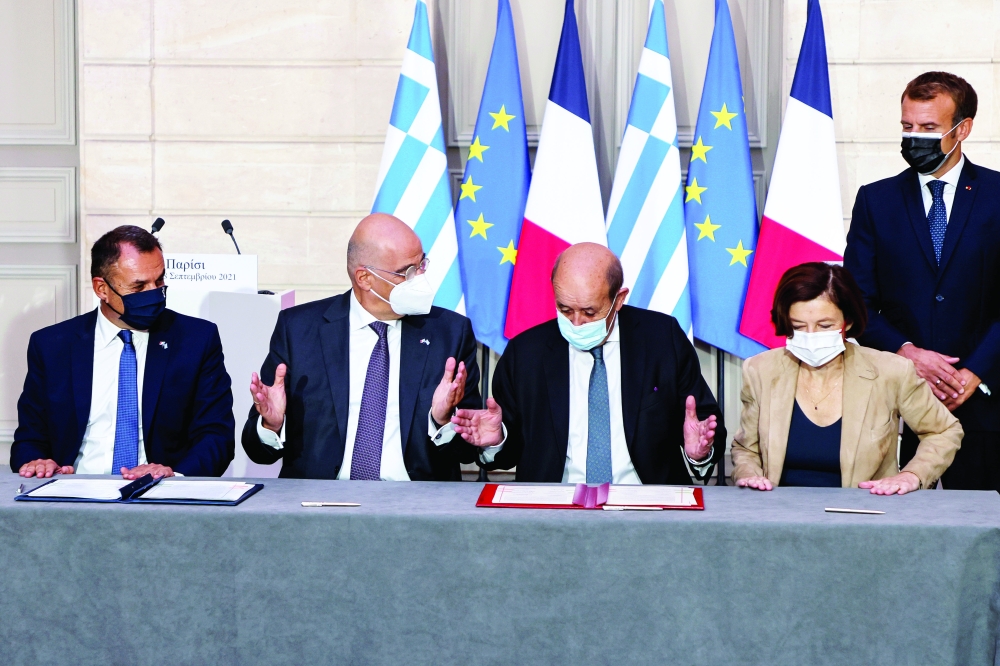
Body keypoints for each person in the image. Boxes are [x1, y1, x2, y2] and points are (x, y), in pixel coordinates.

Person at [450, 243, 724, 484]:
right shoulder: (525, 352)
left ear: (619, 299)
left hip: (646, 503)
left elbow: (704, 425)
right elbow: (507, 455)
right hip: (553, 507)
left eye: (589, 312)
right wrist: (497, 440)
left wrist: (699, 453)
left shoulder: (663, 339)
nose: (576, 322)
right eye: (565, 309)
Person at [844, 71, 1000, 491]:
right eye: (907, 126)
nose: (915, 138)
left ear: (962, 129)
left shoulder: (997, 195)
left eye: (929, 128)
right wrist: (907, 352)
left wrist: (974, 372)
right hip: (897, 402)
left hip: (986, 404)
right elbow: (856, 302)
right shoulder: (876, 200)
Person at [242, 213, 481, 480]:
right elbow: (257, 452)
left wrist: (443, 421)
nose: (420, 278)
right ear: (364, 278)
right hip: (319, 499)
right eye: (408, 272)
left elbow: (469, 452)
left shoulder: (450, 333)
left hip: (416, 500)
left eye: (422, 264)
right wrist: (271, 425)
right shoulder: (298, 330)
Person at [12, 225, 236, 479]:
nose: (154, 294)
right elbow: (30, 437)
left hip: (159, 491)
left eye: (159, 281)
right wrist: (38, 464)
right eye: (138, 287)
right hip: (73, 488)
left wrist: (175, 476)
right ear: (102, 289)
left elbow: (216, 436)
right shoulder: (52, 345)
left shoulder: (196, 340)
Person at [731, 263, 962, 494]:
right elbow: (746, 448)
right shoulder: (761, 370)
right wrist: (749, 474)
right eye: (798, 326)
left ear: (848, 322)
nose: (811, 336)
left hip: (866, 510)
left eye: (824, 325)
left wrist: (912, 475)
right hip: (779, 510)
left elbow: (944, 431)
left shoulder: (890, 371)